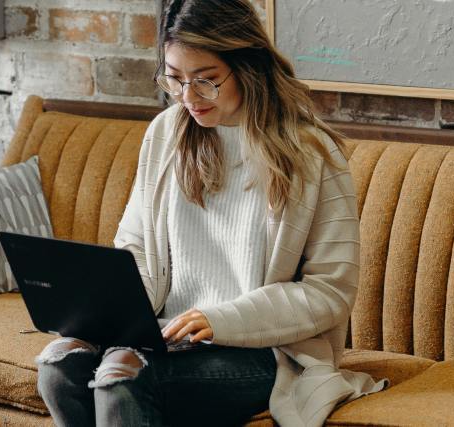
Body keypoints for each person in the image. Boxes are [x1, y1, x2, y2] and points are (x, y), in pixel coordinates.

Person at [34, 1, 386, 425]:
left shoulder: (311, 155)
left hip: (265, 353)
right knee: (59, 366)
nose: (188, 97)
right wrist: (117, 314)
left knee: (120, 376)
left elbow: (329, 291)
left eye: (206, 81)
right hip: (165, 338)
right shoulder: (166, 133)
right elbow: (136, 245)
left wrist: (218, 320)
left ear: (248, 66)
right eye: (175, 78)